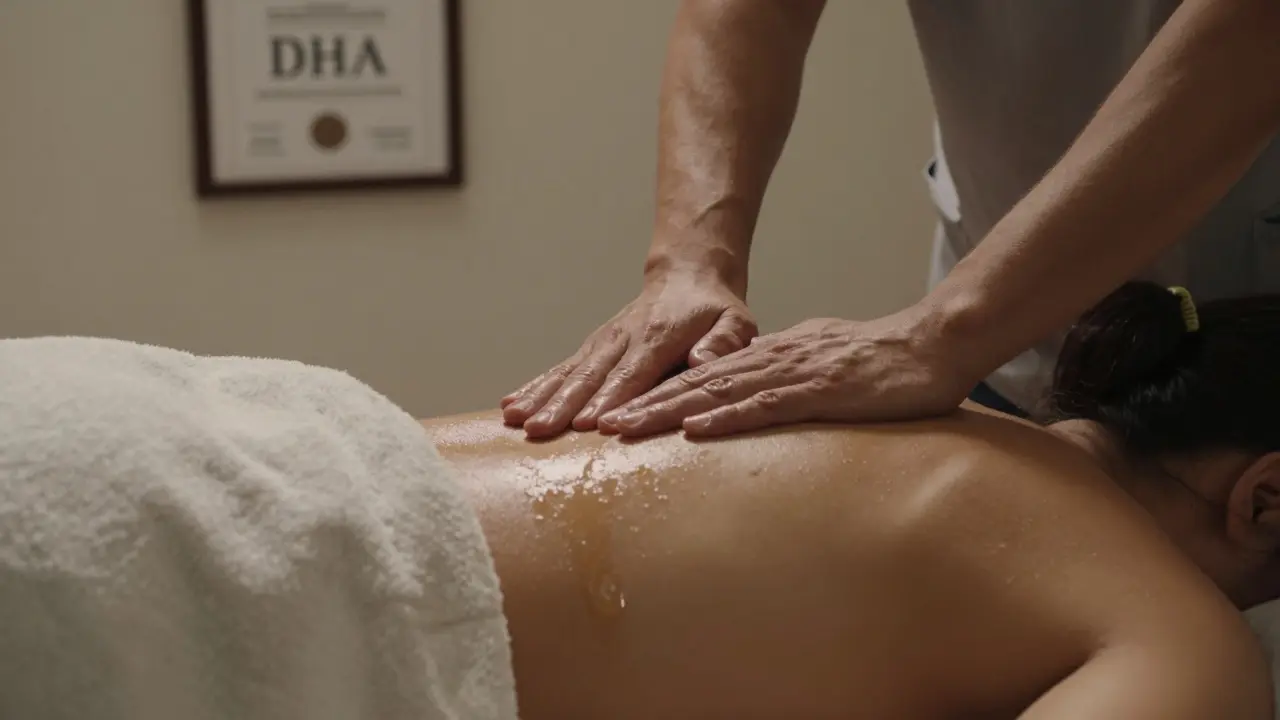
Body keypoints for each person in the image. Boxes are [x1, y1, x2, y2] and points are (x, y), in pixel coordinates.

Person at [7, 282, 1278, 718]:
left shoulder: (901, 415)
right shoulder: (1179, 635)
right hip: (192, 594)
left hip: (139, 440)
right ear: (1265, 502)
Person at [502, 0, 1280, 440]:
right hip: (1009, 348)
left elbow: (1253, 31)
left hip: (1248, 324)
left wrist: (945, 333)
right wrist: (688, 264)